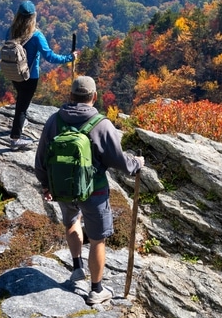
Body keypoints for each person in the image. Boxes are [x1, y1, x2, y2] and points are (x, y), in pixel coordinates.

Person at [34, 75, 144, 306]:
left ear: (70, 96)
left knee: (72, 222)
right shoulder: (102, 124)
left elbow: (41, 158)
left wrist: (46, 185)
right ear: (94, 97)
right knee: (97, 240)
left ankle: (77, 269)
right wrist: (137, 163)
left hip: (63, 188)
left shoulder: (54, 121)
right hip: (94, 192)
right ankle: (96, 290)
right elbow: (119, 162)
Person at [6, 0, 75, 149]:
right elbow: (49, 56)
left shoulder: (10, 31)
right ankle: (15, 138)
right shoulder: (36, 36)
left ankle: (21, 124)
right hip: (30, 77)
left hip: (14, 73)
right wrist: (69, 57)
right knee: (22, 107)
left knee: (21, 100)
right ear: (33, 17)